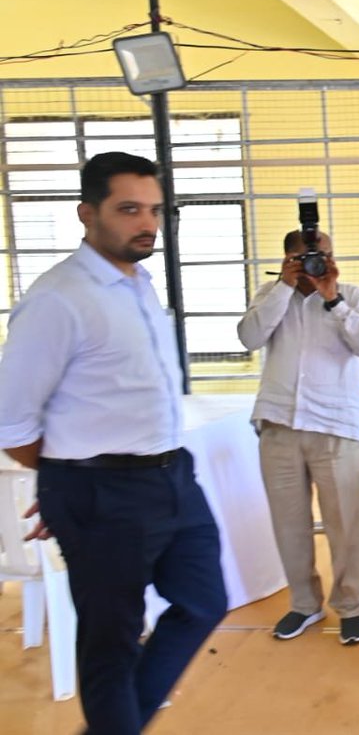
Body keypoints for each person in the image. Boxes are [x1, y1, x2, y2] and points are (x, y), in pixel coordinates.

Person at [0, 151, 228, 734]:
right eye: (128, 209)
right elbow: (10, 418)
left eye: (153, 210)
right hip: (100, 492)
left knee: (204, 602)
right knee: (113, 645)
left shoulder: (139, 284)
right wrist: (66, 485)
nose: (145, 222)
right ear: (86, 213)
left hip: (173, 476)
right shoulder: (59, 298)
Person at [237, 228, 359, 645]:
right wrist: (284, 286)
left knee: (346, 524)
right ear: (286, 259)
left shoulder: (352, 296)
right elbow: (249, 337)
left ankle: (351, 606)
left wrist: (331, 298)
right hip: (278, 425)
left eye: (324, 255)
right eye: (304, 259)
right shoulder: (270, 294)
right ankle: (304, 604)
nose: (315, 264)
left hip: (335, 427)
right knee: (289, 524)